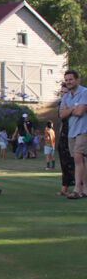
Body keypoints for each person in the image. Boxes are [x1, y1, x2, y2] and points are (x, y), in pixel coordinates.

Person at [59, 69, 87, 199]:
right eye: (67, 80)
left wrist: (69, 110)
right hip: (72, 131)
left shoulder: (84, 92)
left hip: (83, 130)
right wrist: (72, 109)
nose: (69, 82)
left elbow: (80, 112)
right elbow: (61, 115)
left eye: (71, 79)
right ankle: (85, 189)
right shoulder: (66, 96)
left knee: (77, 158)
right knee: (80, 160)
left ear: (77, 80)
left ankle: (76, 189)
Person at [57, 83, 76, 196]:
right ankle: (65, 187)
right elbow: (62, 118)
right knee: (64, 161)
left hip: (74, 132)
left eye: (65, 92)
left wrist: (68, 110)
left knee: (74, 161)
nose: (63, 94)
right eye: (61, 92)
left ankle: (76, 187)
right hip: (64, 134)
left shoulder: (74, 103)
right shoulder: (61, 104)